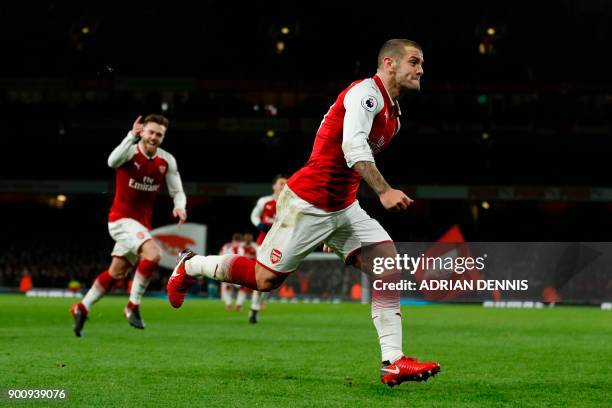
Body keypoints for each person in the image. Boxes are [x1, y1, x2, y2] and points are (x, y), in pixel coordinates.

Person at [168, 39, 440, 386]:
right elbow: (352, 147)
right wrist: (384, 191)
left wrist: (336, 230)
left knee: (385, 261)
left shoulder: (394, 117)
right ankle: (190, 264)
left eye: (421, 64)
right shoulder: (364, 95)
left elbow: (348, 163)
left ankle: (393, 360)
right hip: (308, 202)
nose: (420, 70)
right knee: (264, 280)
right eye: (414, 62)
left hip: (342, 207)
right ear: (389, 63)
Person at [71, 114, 187, 337]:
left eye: (159, 134)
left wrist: (180, 206)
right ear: (142, 131)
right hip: (120, 219)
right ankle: (132, 306)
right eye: (150, 132)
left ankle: (82, 307)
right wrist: (129, 137)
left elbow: (177, 190)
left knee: (116, 272)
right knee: (153, 254)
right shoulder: (130, 152)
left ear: (163, 137)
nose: (154, 137)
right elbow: (111, 162)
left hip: (140, 225)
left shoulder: (167, 160)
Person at [248, 175, 287, 323]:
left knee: (271, 281)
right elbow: (254, 215)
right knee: (261, 277)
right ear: (274, 186)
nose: (284, 186)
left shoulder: (291, 203)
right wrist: (259, 225)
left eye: (286, 183)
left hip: (281, 245)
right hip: (263, 243)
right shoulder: (265, 201)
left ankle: (257, 304)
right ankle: (254, 309)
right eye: (281, 183)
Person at [219, 233, 246, 311]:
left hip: (225, 270)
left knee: (227, 288)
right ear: (239, 241)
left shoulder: (225, 246)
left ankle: (229, 304)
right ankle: (238, 304)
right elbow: (241, 260)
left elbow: (220, 257)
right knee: (242, 288)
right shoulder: (240, 248)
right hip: (235, 271)